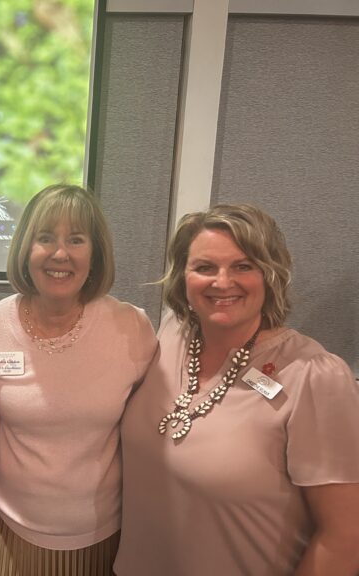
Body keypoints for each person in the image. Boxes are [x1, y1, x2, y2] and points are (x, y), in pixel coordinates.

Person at [115, 204, 359, 575]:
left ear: (271, 274)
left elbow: (344, 538)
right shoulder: (171, 333)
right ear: (183, 276)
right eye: (204, 267)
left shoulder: (315, 377)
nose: (222, 282)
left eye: (244, 266)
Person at [0, 184, 157, 576]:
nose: (60, 254)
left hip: (102, 532)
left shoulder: (131, 327)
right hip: (11, 528)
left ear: (95, 253)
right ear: (25, 249)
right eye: (45, 238)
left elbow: (149, 430)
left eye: (76, 239)